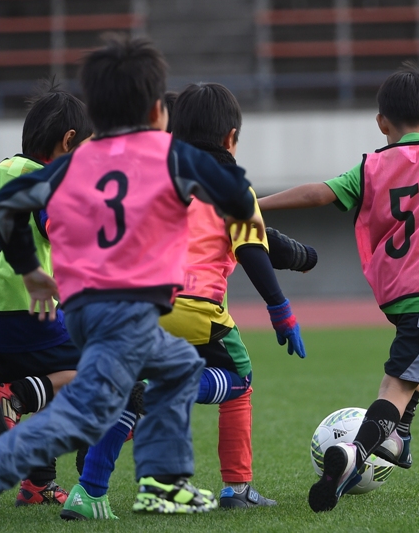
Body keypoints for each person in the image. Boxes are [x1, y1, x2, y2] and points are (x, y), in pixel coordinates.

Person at [0, 36, 264, 533]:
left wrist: (30, 270)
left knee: (163, 374)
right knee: (126, 391)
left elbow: (8, 208)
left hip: (87, 308)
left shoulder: (75, 166)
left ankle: (154, 481)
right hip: (121, 308)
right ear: (158, 111)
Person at [258, 65, 419, 512]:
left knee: (409, 371)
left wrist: (253, 206)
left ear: (382, 123)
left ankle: (399, 439)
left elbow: (316, 194)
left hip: (396, 293)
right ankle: (354, 455)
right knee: (397, 386)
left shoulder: (371, 165)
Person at [61, 82, 315, 518]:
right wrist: (281, 311)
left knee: (128, 398)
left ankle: (88, 495)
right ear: (231, 138)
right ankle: (237, 487)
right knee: (240, 382)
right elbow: (252, 250)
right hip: (198, 311)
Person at [0, 85, 145, 509]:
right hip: (30, 312)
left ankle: (37, 484)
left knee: (51, 382)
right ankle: (15, 398)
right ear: (70, 141)